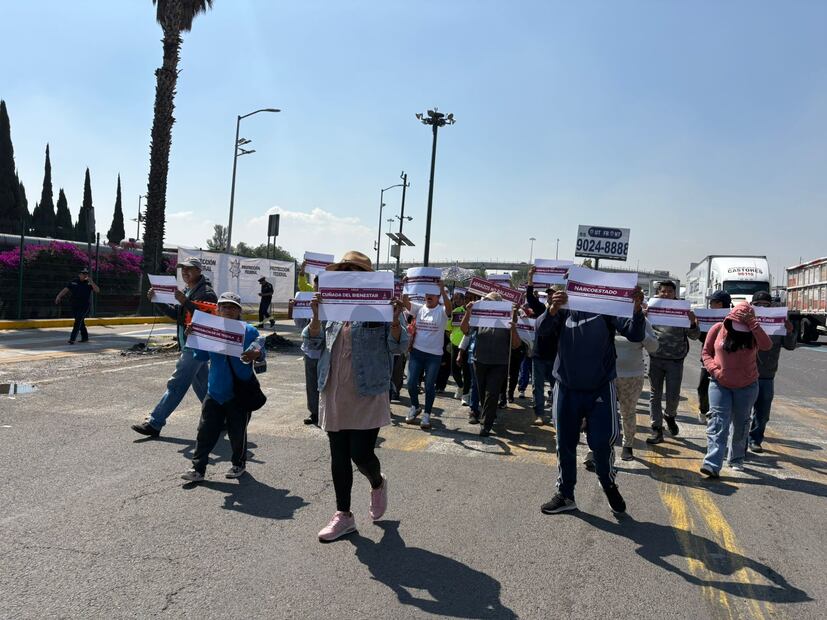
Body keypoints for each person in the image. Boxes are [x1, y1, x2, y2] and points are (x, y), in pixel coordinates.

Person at [303, 250, 409, 542]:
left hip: (367, 390)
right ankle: (344, 515)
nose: (349, 273)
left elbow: (399, 348)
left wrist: (396, 319)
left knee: (360, 453)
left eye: (355, 270)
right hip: (334, 389)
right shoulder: (330, 310)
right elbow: (312, 347)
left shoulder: (379, 308)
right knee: (338, 454)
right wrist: (315, 317)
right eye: (345, 269)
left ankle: (377, 481)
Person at [539, 286, 645, 516]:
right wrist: (552, 309)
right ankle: (565, 494)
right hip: (566, 386)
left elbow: (634, 334)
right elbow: (542, 335)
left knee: (600, 442)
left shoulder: (605, 308)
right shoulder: (563, 309)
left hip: (600, 387)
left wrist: (636, 310)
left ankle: (607, 484)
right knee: (564, 443)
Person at [181, 292, 264, 482]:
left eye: (233, 307)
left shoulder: (249, 331)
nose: (228, 310)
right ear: (217, 310)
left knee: (237, 432)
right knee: (205, 432)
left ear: (239, 311)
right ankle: (198, 469)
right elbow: (201, 357)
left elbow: (260, 351)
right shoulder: (209, 329)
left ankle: (238, 464)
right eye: (224, 307)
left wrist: (256, 355)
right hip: (215, 391)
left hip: (239, 391)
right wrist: (193, 339)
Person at [131, 257, 217, 437]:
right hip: (188, 343)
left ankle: (155, 423)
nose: (185, 272)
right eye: (183, 269)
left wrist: (185, 301)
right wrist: (159, 301)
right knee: (203, 387)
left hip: (196, 346)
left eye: (190, 269)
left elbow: (208, 319)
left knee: (176, 384)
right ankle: (219, 419)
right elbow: (177, 316)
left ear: (199, 271)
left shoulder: (207, 293)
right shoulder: (188, 290)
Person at [700, 302, 772, 476]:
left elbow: (767, 345)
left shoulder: (753, 332)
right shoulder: (718, 329)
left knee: (741, 424)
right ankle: (712, 463)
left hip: (747, 387)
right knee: (718, 422)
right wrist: (715, 371)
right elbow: (706, 353)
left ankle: (737, 458)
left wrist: (753, 324)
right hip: (719, 384)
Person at [460, 292, 522, 437]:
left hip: (499, 363)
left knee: (492, 393)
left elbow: (516, 345)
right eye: (485, 301)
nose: (486, 303)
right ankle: (489, 413)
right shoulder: (480, 317)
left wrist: (513, 328)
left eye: (490, 301)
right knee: (482, 393)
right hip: (479, 361)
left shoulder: (508, 317)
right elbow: (465, 330)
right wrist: (468, 312)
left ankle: (486, 424)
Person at [646, 280, 699, 444]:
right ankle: (656, 428)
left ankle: (670, 416)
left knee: (673, 396)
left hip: (675, 360)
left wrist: (692, 322)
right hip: (655, 358)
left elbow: (694, 336)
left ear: (675, 293)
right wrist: (643, 316)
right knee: (655, 395)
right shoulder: (652, 308)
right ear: (659, 292)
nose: (666, 294)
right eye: (663, 291)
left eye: (670, 291)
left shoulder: (683, 310)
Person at [748, 291, 796, 453]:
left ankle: (755, 439)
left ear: (771, 306)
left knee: (762, 413)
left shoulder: (778, 323)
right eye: (758, 304)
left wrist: (790, 331)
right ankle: (738, 441)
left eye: (765, 305)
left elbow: (790, 346)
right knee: (741, 411)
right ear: (752, 305)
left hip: (767, 375)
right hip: (744, 374)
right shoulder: (743, 322)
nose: (761, 307)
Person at [403, 282, 452, 431]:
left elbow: (450, 309)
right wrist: (407, 285)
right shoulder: (419, 308)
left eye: (432, 294)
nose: (429, 296)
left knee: (429, 385)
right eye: (427, 294)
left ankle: (427, 415)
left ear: (438, 297)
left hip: (434, 355)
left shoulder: (442, 311)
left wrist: (443, 290)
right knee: (411, 383)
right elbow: (405, 301)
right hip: (417, 353)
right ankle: (415, 406)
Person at [614, 318, 659, 461]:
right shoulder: (607, 313)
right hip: (606, 375)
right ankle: (595, 447)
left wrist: (641, 334)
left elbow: (654, 347)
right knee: (600, 411)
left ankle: (627, 445)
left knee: (627, 412)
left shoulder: (642, 321)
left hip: (631, 376)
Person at [524, 272, 560, 426]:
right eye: (549, 294)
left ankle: (556, 414)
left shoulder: (565, 313)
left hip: (556, 357)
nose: (551, 296)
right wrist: (530, 278)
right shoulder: (541, 309)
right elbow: (530, 298)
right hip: (539, 355)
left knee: (557, 388)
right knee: (537, 387)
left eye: (554, 294)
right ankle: (539, 414)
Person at [289, 274, 321, 425]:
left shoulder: (336, 306)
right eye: (315, 287)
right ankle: (314, 413)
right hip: (311, 351)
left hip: (330, 351)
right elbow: (301, 325)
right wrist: (295, 309)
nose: (317, 290)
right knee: (312, 384)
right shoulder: (309, 301)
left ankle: (330, 412)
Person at [697, 290, 731, 423]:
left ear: (719, 303)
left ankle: (718, 413)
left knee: (722, 389)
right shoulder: (707, 317)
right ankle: (703, 410)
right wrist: (698, 326)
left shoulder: (732, 317)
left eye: (712, 302)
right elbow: (701, 339)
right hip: (708, 359)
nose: (710, 305)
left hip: (725, 361)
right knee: (703, 387)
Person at [54, 267, 99, 344]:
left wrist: (91, 282)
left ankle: (72, 338)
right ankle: (85, 337)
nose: (85, 275)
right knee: (80, 321)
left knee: (78, 321)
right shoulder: (74, 282)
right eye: (83, 274)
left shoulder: (89, 283)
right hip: (74, 305)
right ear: (79, 274)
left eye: (86, 274)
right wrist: (58, 296)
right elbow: (65, 290)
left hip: (84, 306)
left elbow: (97, 290)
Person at [449, 291, 471, 406]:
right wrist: (452, 338)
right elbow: (448, 328)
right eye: (455, 300)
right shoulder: (455, 312)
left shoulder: (473, 312)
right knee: (454, 369)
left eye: (460, 299)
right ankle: (461, 387)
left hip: (468, 345)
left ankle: (466, 394)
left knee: (467, 371)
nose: (457, 302)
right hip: (455, 343)